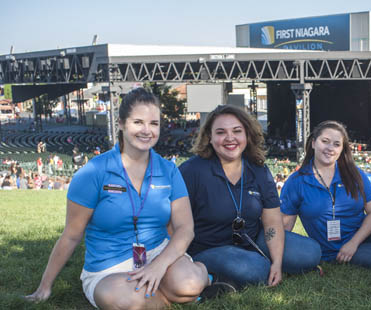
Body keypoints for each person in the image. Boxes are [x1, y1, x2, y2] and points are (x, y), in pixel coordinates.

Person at [25, 88, 225, 308]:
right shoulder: (93, 172)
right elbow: (71, 236)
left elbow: (185, 228)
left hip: (159, 254)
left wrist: (158, 266)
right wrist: (45, 287)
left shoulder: (169, 170)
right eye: (138, 122)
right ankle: (170, 297)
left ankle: (201, 279)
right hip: (109, 267)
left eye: (154, 124)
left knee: (188, 283)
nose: (147, 131)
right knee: (126, 300)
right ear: (121, 123)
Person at [179, 105, 320, 290]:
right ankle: (213, 274)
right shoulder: (192, 170)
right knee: (255, 270)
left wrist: (277, 263)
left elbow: (272, 223)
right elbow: (174, 222)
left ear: (247, 135)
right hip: (208, 247)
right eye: (221, 132)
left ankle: (256, 264)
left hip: (251, 238)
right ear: (210, 138)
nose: (230, 138)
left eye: (237, 131)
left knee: (311, 253)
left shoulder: (258, 169)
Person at [280, 120, 371, 272]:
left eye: (337, 144)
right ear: (314, 143)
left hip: (365, 231)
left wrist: (354, 243)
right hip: (332, 250)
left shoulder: (354, 174)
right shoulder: (296, 181)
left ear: (342, 149)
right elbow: (285, 227)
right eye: (325, 141)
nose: (330, 148)